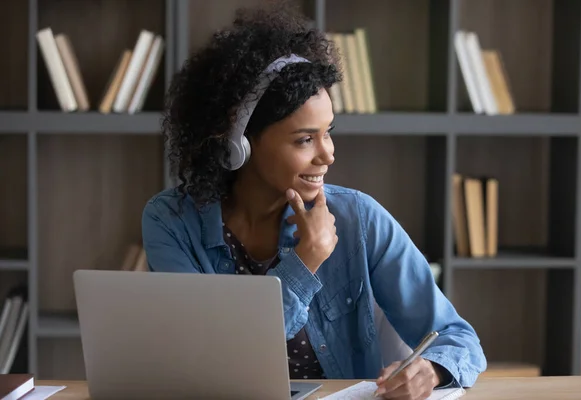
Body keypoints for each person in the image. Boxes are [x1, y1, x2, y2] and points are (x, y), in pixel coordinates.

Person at [141, 2, 487, 399]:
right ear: (240, 145)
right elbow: (215, 359)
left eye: (329, 132)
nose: (328, 154)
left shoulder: (359, 217)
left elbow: (459, 337)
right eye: (305, 139)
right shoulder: (170, 221)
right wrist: (307, 260)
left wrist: (433, 370)